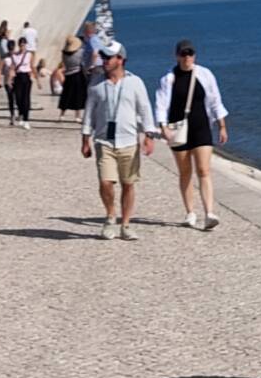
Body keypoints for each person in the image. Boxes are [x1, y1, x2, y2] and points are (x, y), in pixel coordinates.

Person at [79, 42, 157, 241]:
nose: (104, 61)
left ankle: (126, 224)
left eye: (109, 57)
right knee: (106, 182)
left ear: (120, 60)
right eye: (103, 57)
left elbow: (145, 109)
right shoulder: (96, 84)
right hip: (104, 141)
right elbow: (89, 112)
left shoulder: (135, 82)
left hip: (129, 141)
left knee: (128, 184)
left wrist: (149, 135)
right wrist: (85, 138)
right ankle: (110, 217)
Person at [157, 39, 230, 230]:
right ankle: (190, 212)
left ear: (194, 55)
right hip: (178, 129)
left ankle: (209, 212)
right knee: (185, 172)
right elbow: (162, 104)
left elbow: (215, 100)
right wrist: (163, 127)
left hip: (201, 126)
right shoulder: (169, 78)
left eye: (190, 53)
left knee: (204, 170)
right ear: (177, 55)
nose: (187, 57)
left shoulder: (205, 74)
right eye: (183, 53)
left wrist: (222, 125)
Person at [5, 26, 35, 129]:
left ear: (26, 45)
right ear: (18, 45)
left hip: (26, 76)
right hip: (18, 77)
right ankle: (21, 114)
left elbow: (32, 66)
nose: (22, 47)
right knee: (18, 98)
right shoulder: (14, 55)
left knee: (26, 98)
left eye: (24, 45)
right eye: (21, 45)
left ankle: (26, 119)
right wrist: (9, 79)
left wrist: (35, 78)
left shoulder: (29, 54)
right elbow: (12, 68)